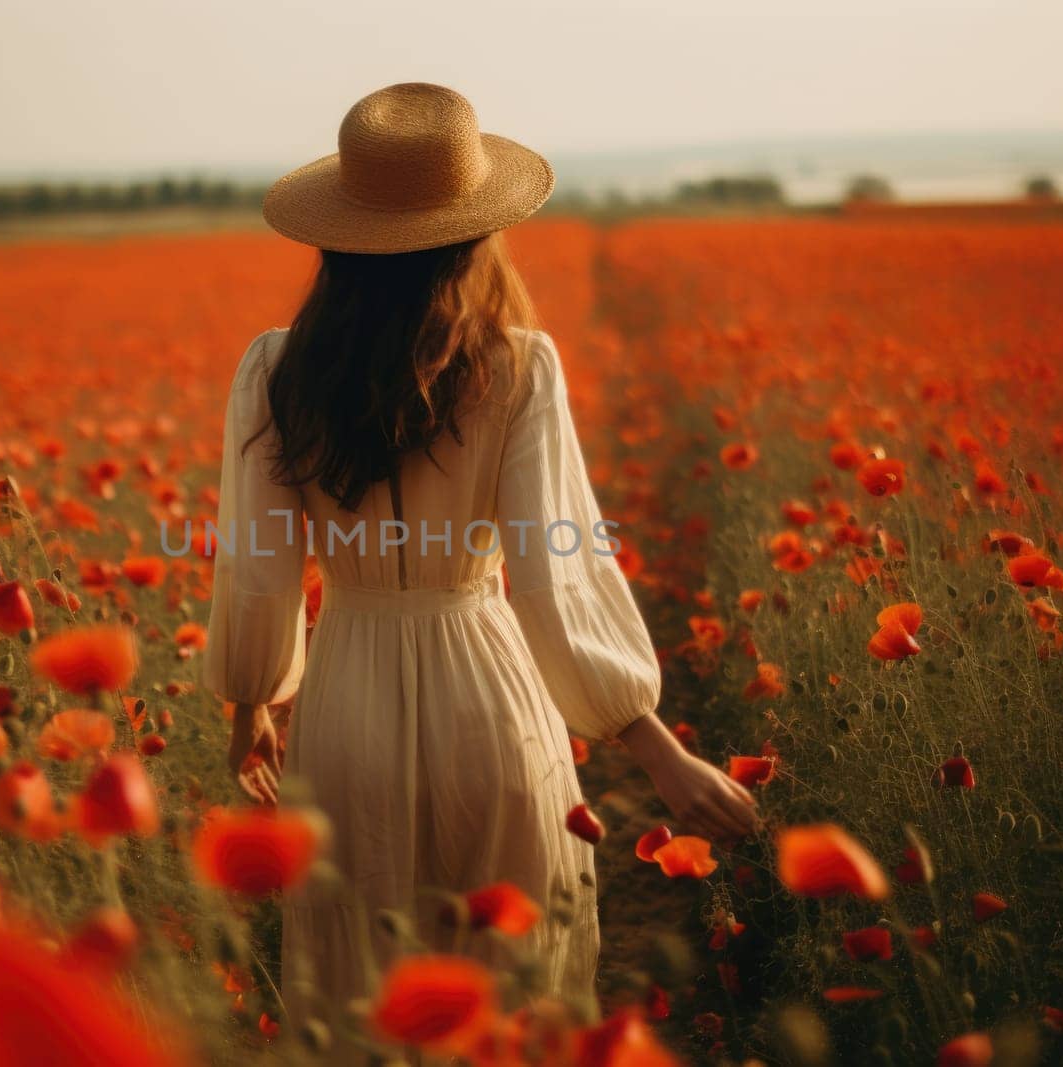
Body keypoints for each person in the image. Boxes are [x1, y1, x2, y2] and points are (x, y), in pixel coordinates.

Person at [203, 82, 757, 1049]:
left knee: (363, 994)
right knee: (514, 992)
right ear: (473, 236)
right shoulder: (517, 365)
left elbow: (260, 566)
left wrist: (253, 706)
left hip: (345, 711)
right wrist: (655, 749)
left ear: (337, 237)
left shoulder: (274, 370)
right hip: (491, 709)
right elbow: (552, 573)